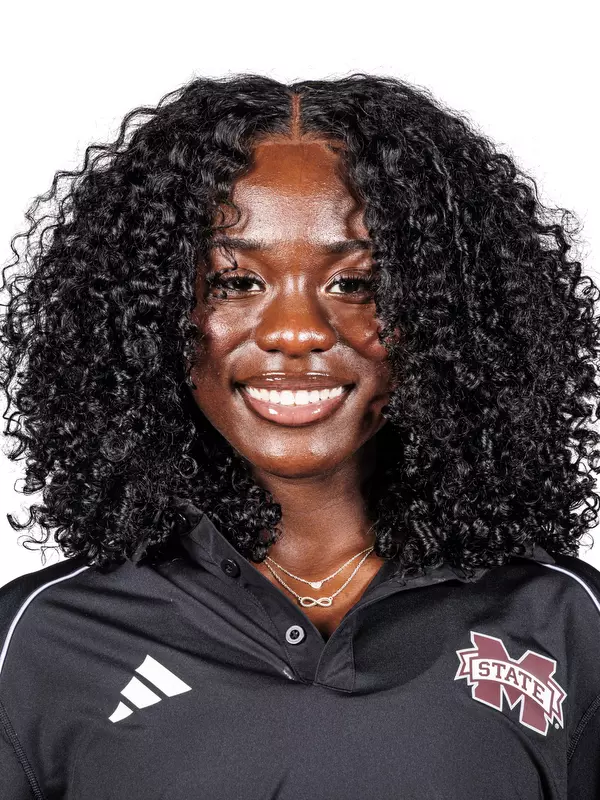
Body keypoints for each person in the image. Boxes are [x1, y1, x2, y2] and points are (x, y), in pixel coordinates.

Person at [0, 72, 599, 799]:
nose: (295, 332)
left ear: (452, 320)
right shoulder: (38, 639)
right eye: (234, 281)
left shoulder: (569, 622)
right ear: (146, 318)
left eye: (357, 285)